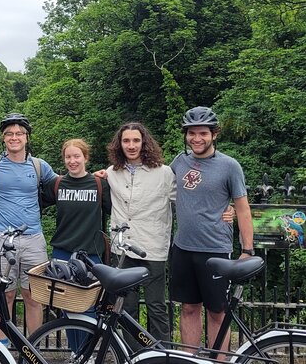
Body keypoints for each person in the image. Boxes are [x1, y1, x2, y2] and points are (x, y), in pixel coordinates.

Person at [170, 106, 253, 352]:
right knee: (188, 308)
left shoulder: (229, 166)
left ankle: (218, 360)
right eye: (191, 133)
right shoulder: (180, 161)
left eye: (203, 133)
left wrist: (247, 249)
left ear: (214, 134)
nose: (197, 139)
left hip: (215, 250)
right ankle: (191, 359)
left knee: (217, 312)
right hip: (183, 247)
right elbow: (153, 178)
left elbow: (243, 208)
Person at [0, 113, 57, 344]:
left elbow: (65, 183)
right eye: (9, 134)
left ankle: (33, 346)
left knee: (33, 296)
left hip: (33, 239)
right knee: (4, 295)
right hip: (2, 237)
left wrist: (97, 178)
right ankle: (1, 348)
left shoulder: (40, 166)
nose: (14, 137)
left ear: (27, 137)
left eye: (19, 133)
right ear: (3, 138)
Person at [105, 122, 175, 346]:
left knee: (156, 306)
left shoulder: (164, 173)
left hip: (152, 247)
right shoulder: (111, 172)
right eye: (126, 141)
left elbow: (187, 201)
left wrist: (227, 208)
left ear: (144, 142)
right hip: (123, 248)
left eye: (136, 140)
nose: (131, 145)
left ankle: (162, 354)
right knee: (126, 306)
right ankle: (133, 354)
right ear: (119, 144)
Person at [41, 138, 111, 351]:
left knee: (88, 307)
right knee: (66, 307)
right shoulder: (57, 184)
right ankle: (75, 353)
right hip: (62, 251)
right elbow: (32, 203)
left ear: (86, 158)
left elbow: (117, 210)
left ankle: (87, 352)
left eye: (76, 156)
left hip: (91, 254)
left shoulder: (99, 184)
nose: (72, 161)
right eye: (68, 157)